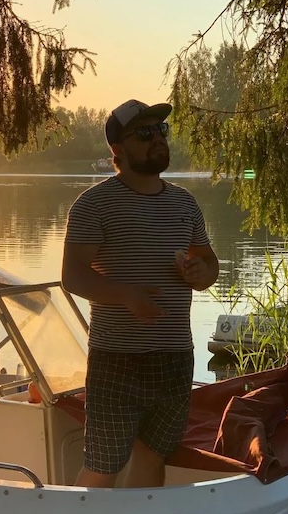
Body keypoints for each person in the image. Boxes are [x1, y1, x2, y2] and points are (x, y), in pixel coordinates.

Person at [61, 99, 219, 488]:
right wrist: (126, 296)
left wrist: (202, 272)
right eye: (145, 133)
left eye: (161, 130)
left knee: (152, 457)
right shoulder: (93, 205)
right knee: (104, 465)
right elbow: (73, 277)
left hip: (175, 358)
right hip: (117, 359)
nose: (158, 139)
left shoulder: (185, 202)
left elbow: (208, 264)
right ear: (118, 149)